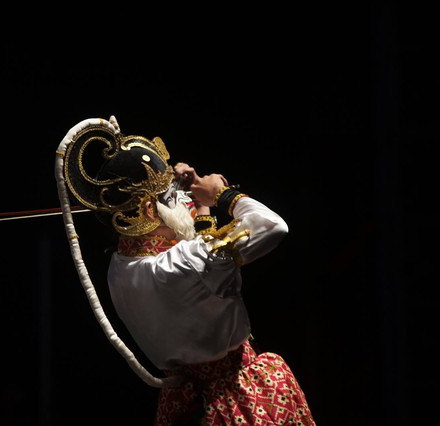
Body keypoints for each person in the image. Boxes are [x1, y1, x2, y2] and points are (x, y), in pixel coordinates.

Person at [56, 116, 316, 425]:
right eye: (172, 196)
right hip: (238, 402)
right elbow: (272, 227)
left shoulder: (120, 267)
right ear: (151, 211)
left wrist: (198, 206)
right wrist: (219, 195)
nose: (185, 199)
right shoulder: (186, 264)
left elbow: (199, 266)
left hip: (182, 408)